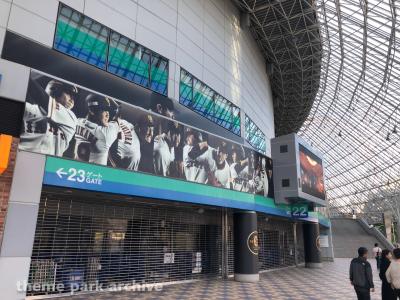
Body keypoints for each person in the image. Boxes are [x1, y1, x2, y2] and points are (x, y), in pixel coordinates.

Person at [20, 77, 78, 156]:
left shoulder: (71, 117)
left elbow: (42, 98)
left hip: (46, 163)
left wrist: (24, 75)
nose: (72, 100)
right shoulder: (31, 109)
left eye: (73, 97)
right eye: (68, 94)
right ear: (56, 91)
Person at [74, 94, 119, 165]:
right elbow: (117, 121)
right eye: (104, 110)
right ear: (92, 111)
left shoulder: (78, 122)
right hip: (96, 174)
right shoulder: (106, 133)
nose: (108, 114)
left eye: (108, 111)